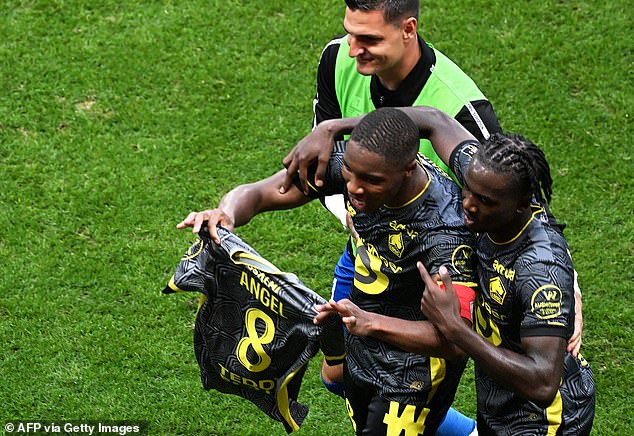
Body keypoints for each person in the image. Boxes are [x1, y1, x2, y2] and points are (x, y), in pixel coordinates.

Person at [179, 108, 479, 435]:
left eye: (371, 181)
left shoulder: (445, 231)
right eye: (349, 175)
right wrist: (225, 213)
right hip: (364, 328)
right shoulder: (358, 169)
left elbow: (456, 340)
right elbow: (266, 191)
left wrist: (368, 323)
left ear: (409, 169)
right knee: (334, 380)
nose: (355, 189)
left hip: (415, 364)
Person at [279, 2, 502, 418]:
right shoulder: (336, 60)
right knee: (337, 375)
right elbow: (322, 159)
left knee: (408, 399)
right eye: (350, 33)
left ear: (408, 29)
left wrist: (567, 285)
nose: (352, 49)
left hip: (433, 274)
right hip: (368, 252)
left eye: (368, 39)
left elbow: (516, 206)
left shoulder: (460, 110)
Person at [403, 106, 595, 434]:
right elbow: (433, 121)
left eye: (485, 200)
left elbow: (542, 381)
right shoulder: (487, 177)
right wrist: (333, 129)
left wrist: (455, 327)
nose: (468, 204)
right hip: (499, 398)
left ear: (522, 203)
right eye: (467, 189)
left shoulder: (539, 268)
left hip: (541, 420)